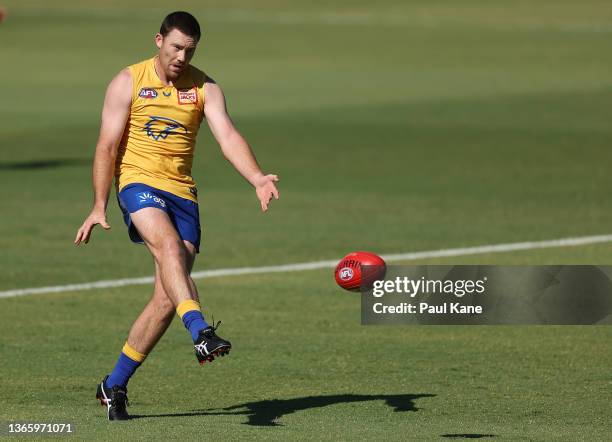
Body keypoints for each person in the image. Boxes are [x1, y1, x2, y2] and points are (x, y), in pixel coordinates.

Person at [74, 11, 279, 421]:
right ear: (158, 40)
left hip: (182, 193)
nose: (182, 57)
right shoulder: (128, 81)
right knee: (168, 246)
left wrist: (256, 177)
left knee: (168, 296)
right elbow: (106, 146)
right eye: (176, 47)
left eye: (190, 50)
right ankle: (201, 332)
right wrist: (99, 204)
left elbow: (227, 135)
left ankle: (113, 384)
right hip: (137, 184)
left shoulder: (205, 86)